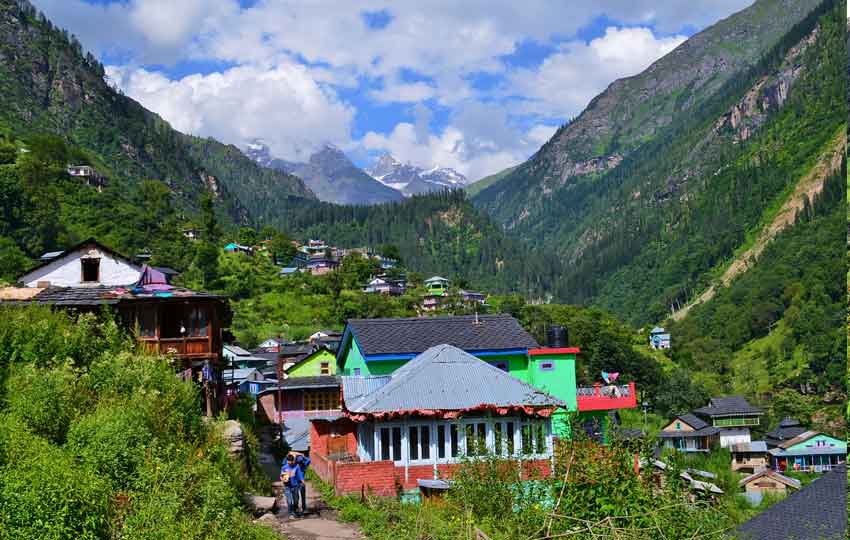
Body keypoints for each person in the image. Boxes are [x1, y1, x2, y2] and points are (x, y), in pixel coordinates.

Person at [280, 453, 304, 518]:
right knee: (290, 501)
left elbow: (300, 475)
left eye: (291, 461)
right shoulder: (284, 467)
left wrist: (302, 481)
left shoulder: (296, 467)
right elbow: (281, 476)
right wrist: (283, 479)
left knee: (296, 501)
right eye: (288, 461)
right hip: (287, 486)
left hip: (295, 486)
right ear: (287, 461)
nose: (289, 462)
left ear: (293, 461)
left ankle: (295, 511)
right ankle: (290, 513)